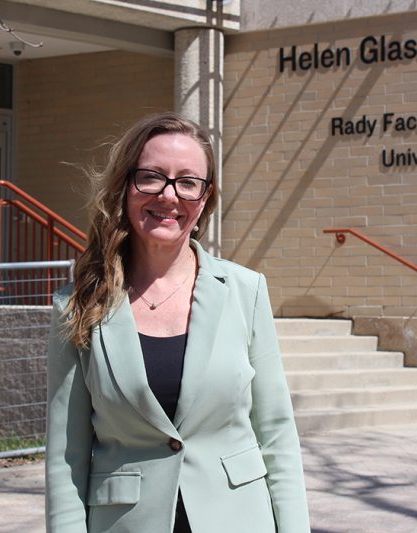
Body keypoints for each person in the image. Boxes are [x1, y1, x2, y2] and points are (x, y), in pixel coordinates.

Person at [45, 112, 310, 533]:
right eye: (151, 177)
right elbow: (66, 457)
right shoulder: (79, 305)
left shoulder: (246, 291)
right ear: (125, 187)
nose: (169, 195)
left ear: (205, 199)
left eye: (188, 182)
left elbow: (277, 434)